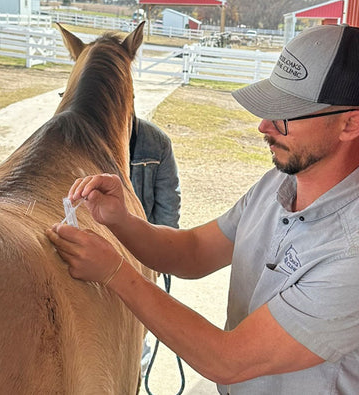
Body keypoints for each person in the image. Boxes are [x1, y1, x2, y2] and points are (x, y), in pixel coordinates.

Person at [46, 24, 359, 394]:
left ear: (350, 123)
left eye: (285, 115)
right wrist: (121, 221)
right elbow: (193, 251)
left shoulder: (350, 251)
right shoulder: (281, 182)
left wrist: (115, 271)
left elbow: (228, 360)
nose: (264, 126)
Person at [129, 114, 181, 376]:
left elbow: (168, 204)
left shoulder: (156, 142)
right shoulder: (73, 132)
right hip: (93, 255)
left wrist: (163, 254)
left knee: (138, 335)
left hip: (138, 257)